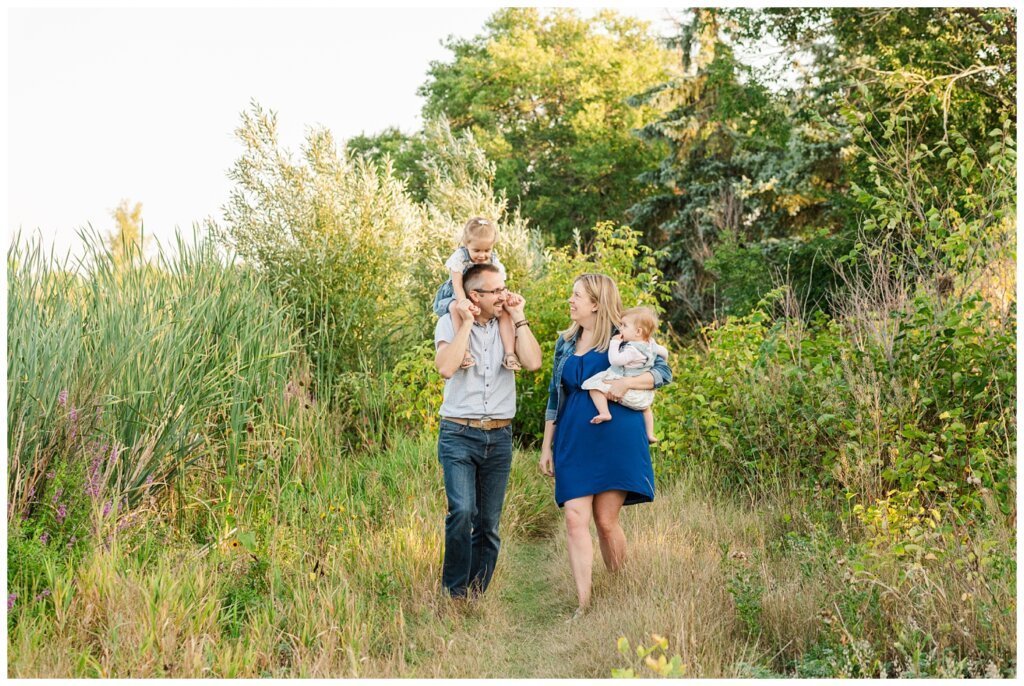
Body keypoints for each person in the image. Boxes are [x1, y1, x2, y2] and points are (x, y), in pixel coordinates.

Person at [538, 274, 672, 620]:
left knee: (606, 520)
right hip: (573, 434)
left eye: (576, 295)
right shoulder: (565, 342)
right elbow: (555, 397)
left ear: (596, 303)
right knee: (573, 517)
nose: (570, 301)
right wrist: (546, 446)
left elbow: (662, 372)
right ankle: (584, 605)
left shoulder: (623, 335)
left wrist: (627, 381)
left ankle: (622, 590)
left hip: (616, 433)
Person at [434, 263, 542, 599]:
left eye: (503, 288)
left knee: (489, 526)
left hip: (498, 437)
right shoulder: (448, 321)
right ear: (474, 295)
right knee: (462, 512)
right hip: (458, 434)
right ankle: (454, 593)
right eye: (494, 291)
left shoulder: (509, 324)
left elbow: (534, 362)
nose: (502, 295)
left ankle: (477, 595)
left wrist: (520, 315)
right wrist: (466, 323)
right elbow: (446, 368)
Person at [433, 217, 522, 371]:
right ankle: (465, 352)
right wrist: (463, 303)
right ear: (466, 244)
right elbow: (457, 285)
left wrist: (507, 297)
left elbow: (500, 285)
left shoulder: (494, 261)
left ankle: (509, 354)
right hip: (458, 293)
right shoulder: (459, 258)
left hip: (482, 296)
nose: (482, 255)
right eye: (477, 250)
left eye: (487, 250)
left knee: (505, 311)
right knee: (455, 308)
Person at [581, 305, 668, 443]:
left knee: (594, 388)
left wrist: (614, 343)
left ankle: (605, 412)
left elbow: (615, 360)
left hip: (623, 385)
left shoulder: (632, 349)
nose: (620, 329)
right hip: (642, 394)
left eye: (624, 326)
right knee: (646, 408)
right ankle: (650, 434)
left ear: (638, 331)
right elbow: (664, 352)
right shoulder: (651, 344)